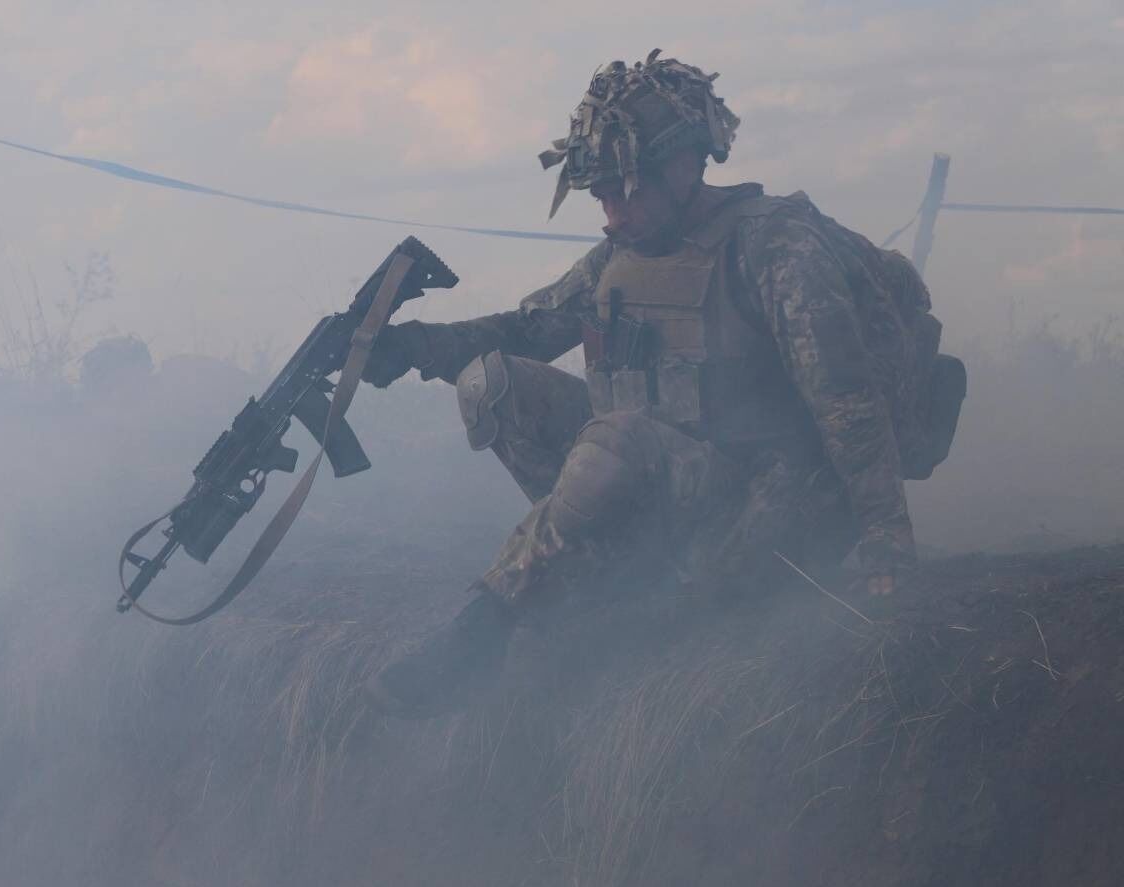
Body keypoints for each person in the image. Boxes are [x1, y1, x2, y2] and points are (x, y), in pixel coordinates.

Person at [361, 50, 926, 717]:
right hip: (661, 497)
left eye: (627, 190)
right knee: (494, 385)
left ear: (686, 166)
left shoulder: (776, 249)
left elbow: (847, 399)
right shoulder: (621, 256)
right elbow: (530, 328)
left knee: (618, 435)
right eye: (600, 195)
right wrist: (412, 346)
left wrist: (885, 538)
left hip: (765, 506)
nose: (611, 213)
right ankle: (592, 570)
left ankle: (485, 628)